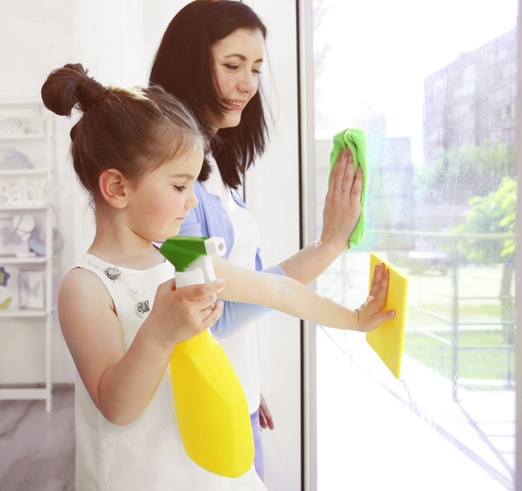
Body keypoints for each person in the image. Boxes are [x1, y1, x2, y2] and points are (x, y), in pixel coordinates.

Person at [42, 63, 392, 490]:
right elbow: (116, 405)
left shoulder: (182, 259)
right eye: (179, 186)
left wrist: (355, 319)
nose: (191, 204)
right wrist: (159, 332)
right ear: (117, 188)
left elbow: (277, 289)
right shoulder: (86, 287)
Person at [149, 0, 365, 478]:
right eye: (232, 65)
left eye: (256, 68)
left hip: (236, 393)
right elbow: (211, 304)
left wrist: (248, 378)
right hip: (203, 409)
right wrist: (329, 247)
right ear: (189, 63)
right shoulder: (171, 183)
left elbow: (243, 294)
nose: (248, 84)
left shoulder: (223, 173)